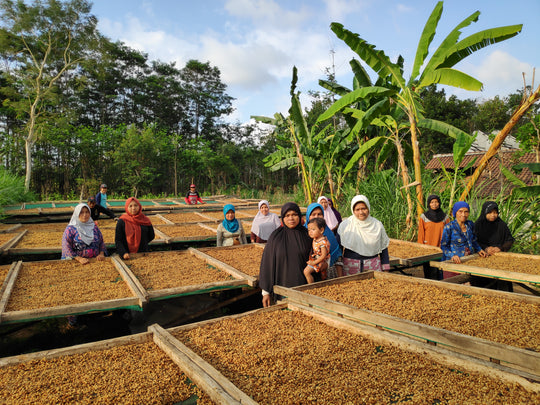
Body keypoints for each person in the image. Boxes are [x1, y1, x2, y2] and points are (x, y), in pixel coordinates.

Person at [259, 202, 312, 307]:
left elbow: (318, 256)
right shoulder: (276, 237)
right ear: (282, 218)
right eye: (287, 215)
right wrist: (265, 292)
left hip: (306, 290)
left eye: (294, 215)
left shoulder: (307, 235)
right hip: (282, 289)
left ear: (300, 216)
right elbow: (267, 264)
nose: (291, 218)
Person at [336, 195, 391, 275]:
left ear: (368, 208)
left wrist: (386, 271)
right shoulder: (345, 225)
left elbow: (383, 249)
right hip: (350, 268)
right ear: (353, 210)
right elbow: (339, 250)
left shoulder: (377, 225)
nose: (361, 212)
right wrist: (339, 273)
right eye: (357, 209)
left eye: (364, 209)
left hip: (372, 267)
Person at [472, 201, 515, 290]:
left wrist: (500, 248)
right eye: (490, 212)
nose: (493, 215)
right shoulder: (478, 225)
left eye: (495, 213)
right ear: (485, 212)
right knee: (482, 283)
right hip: (482, 257)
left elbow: (509, 240)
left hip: (499, 258)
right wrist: (486, 248)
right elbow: (474, 240)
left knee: (502, 284)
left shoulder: (501, 225)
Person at [440, 201, 487, 277]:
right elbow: (444, 246)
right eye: (460, 211)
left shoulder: (470, 224)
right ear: (455, 213)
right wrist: (453, 255)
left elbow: (473, 240)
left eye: (466, 212)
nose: (463, 214)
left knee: (467, 282)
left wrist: (479, 249)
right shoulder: (449, 227)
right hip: (454, 261)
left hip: (468, 260)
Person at [305, 202, 343, 279]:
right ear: (308, 216)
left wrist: (340, 277)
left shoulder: (328, 233)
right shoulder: (303, 233)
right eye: (313, 214)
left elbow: (337, 255)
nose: (317, 217)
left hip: (328, 272)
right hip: (311, 272)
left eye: (319, 214)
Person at [418, 194, 450, 280]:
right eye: (432, 202)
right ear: (429, 204)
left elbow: (448, 233)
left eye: (436, 202)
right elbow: (421, 233)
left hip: (440, 248)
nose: (434, 204)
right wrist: (421, 247)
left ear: (439, 203)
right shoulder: (424, 217)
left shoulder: (445, 217)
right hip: (428, 248)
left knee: (440, 270)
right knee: (429, 270)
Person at [304, 217, 330, 283]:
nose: (310, 232)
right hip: (317, 258)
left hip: (321, 260)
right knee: (323, 277)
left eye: (313, 229)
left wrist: (314, 263)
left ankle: (311, 286)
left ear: (321, 230)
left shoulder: (322, 242)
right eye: (309, 230)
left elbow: (323, 255)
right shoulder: (316, 238)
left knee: (306, 272)